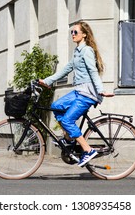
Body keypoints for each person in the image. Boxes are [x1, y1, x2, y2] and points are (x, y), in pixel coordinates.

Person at [39, 21, 114, 167]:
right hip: (79, 91)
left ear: (84, 34)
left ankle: (88, 150)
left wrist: (101, 90)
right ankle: (69, 138)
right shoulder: (77, 51)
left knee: (67, 120)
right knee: (56, 106)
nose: (72, 35)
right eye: (71, 32)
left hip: (88, 93)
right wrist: (47, 81)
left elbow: (93, 71)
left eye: (75, 32)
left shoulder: (87, 51)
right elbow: (66, 69)